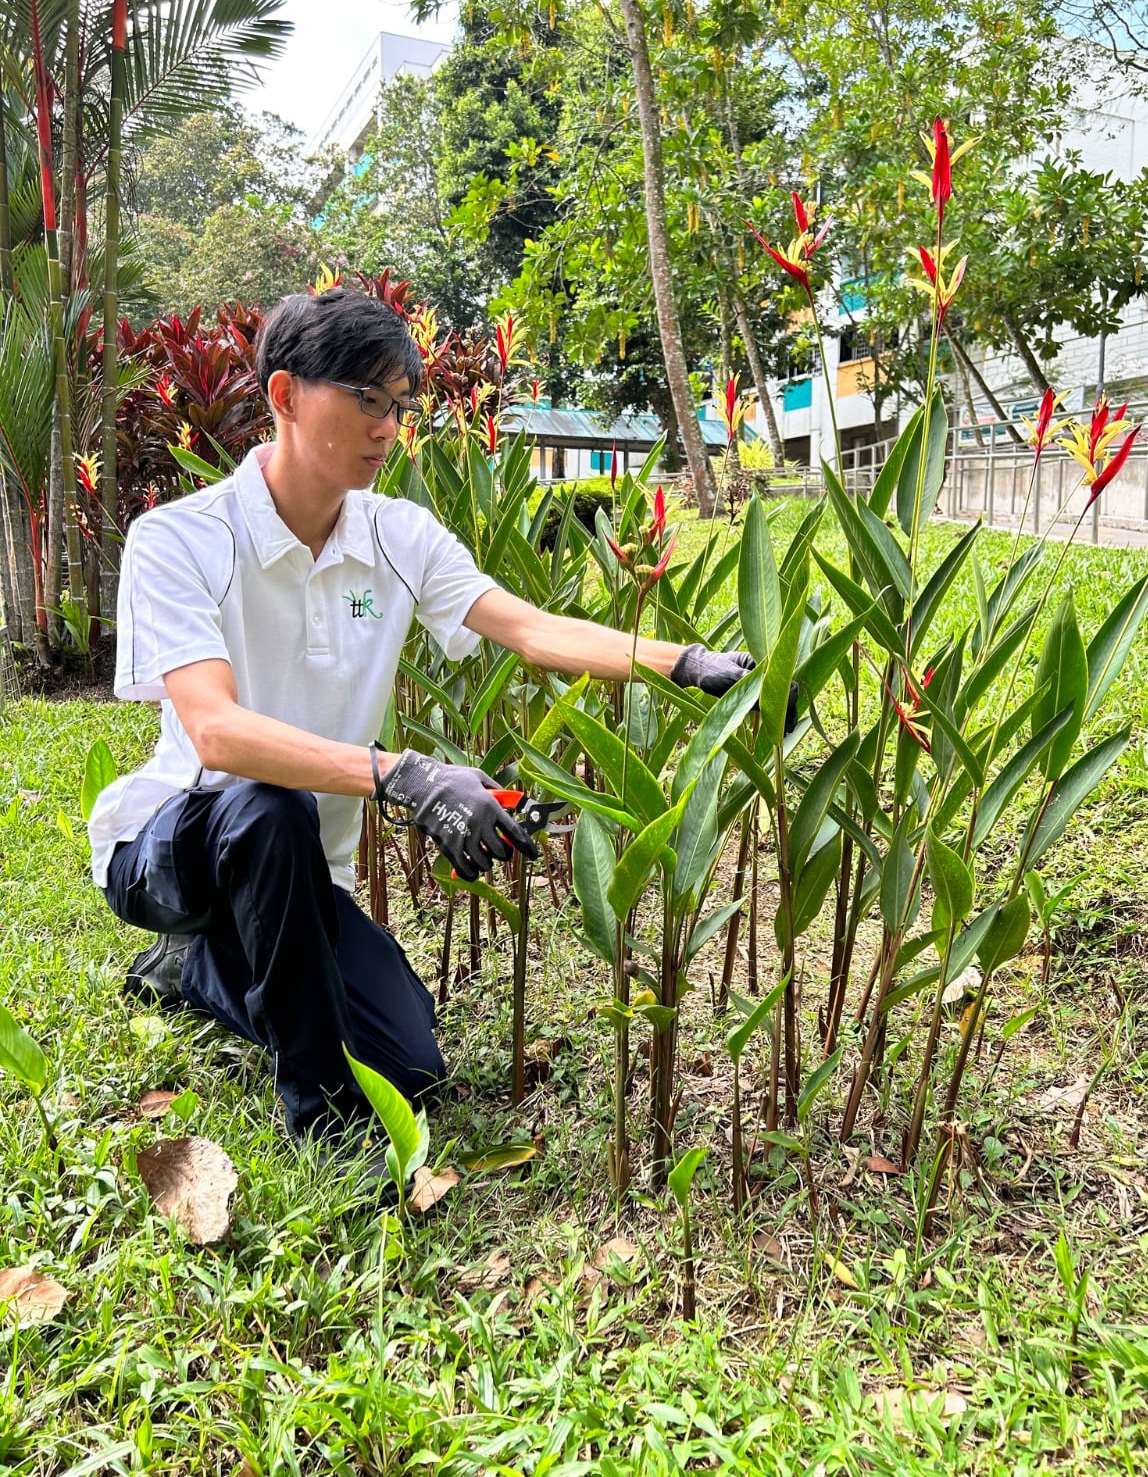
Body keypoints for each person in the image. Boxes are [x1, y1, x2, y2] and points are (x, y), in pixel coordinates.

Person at [88, 286, 786, 1174]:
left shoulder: (397, 534)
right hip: (175, 848)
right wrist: (407, 775)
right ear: (286, 395)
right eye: (367, 400)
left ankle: (196, 970)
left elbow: (530, 630)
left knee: (411, 1063)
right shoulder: (180, 539)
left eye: (400, 405)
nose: (388, 427)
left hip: (304, 878)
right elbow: (219, 736)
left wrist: (685, 661)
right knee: (268, 807)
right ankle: (326, 1129)